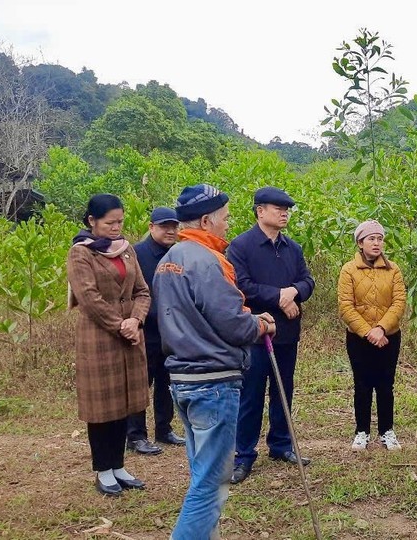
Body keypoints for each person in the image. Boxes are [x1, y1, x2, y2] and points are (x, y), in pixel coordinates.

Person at [154, 184, 275, 539]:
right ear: (206, 220)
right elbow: (233, 324)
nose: (228, 224)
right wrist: (261, 323)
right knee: (210, 483)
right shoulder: (209, 261)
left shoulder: (168, 260)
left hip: (183, 379)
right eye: (224, 218)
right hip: (213, 382)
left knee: (201, 473)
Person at [229, 186, 315, 484]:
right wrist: (279, 296)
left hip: (287, 334)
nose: (284, 213)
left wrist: (293, 292)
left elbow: (307, 281)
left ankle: (280, 444)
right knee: (250, 395)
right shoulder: (241, 246)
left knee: (283, 391)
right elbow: (241, 286)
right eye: (277, 208)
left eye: (286, 209)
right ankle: (243, 455)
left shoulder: (293, 248)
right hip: (255, 333)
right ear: (259, 211)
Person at [66, 193, 151, 497]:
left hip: (129, 338)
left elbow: (143, 291)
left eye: (120, 221)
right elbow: (89, 299)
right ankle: (103, 469)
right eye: (110, 222)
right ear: (92, 221)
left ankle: (119, 466)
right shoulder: (81, 253)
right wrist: (120, 325)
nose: (117, 228)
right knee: (102, 408)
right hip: (100, 339)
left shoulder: (127, 250)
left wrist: (136, 321)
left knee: (125, 403)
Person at [337, 220, 407, 451]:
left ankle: (387, 430)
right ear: (360, 243)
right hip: (359, 338)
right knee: (362, 384)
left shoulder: (393, 269)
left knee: (386, 385)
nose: (377, 243)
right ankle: (362, 431)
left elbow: (399, 303)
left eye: (379, 239)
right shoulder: (349, 270)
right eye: (371, 239)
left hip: (389, 336)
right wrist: (368, 332)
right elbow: (346, 306)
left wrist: (382, 328)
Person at [126, 207, 184, 455]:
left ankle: (164, 428)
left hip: (172, 330)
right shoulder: (137, 254)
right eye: (164, 226)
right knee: (141, 383)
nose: (170, 231)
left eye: (174, 226)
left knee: (166, 381)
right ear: (151, 227)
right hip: (145, 329)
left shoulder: (179, 253)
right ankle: (136, 435)